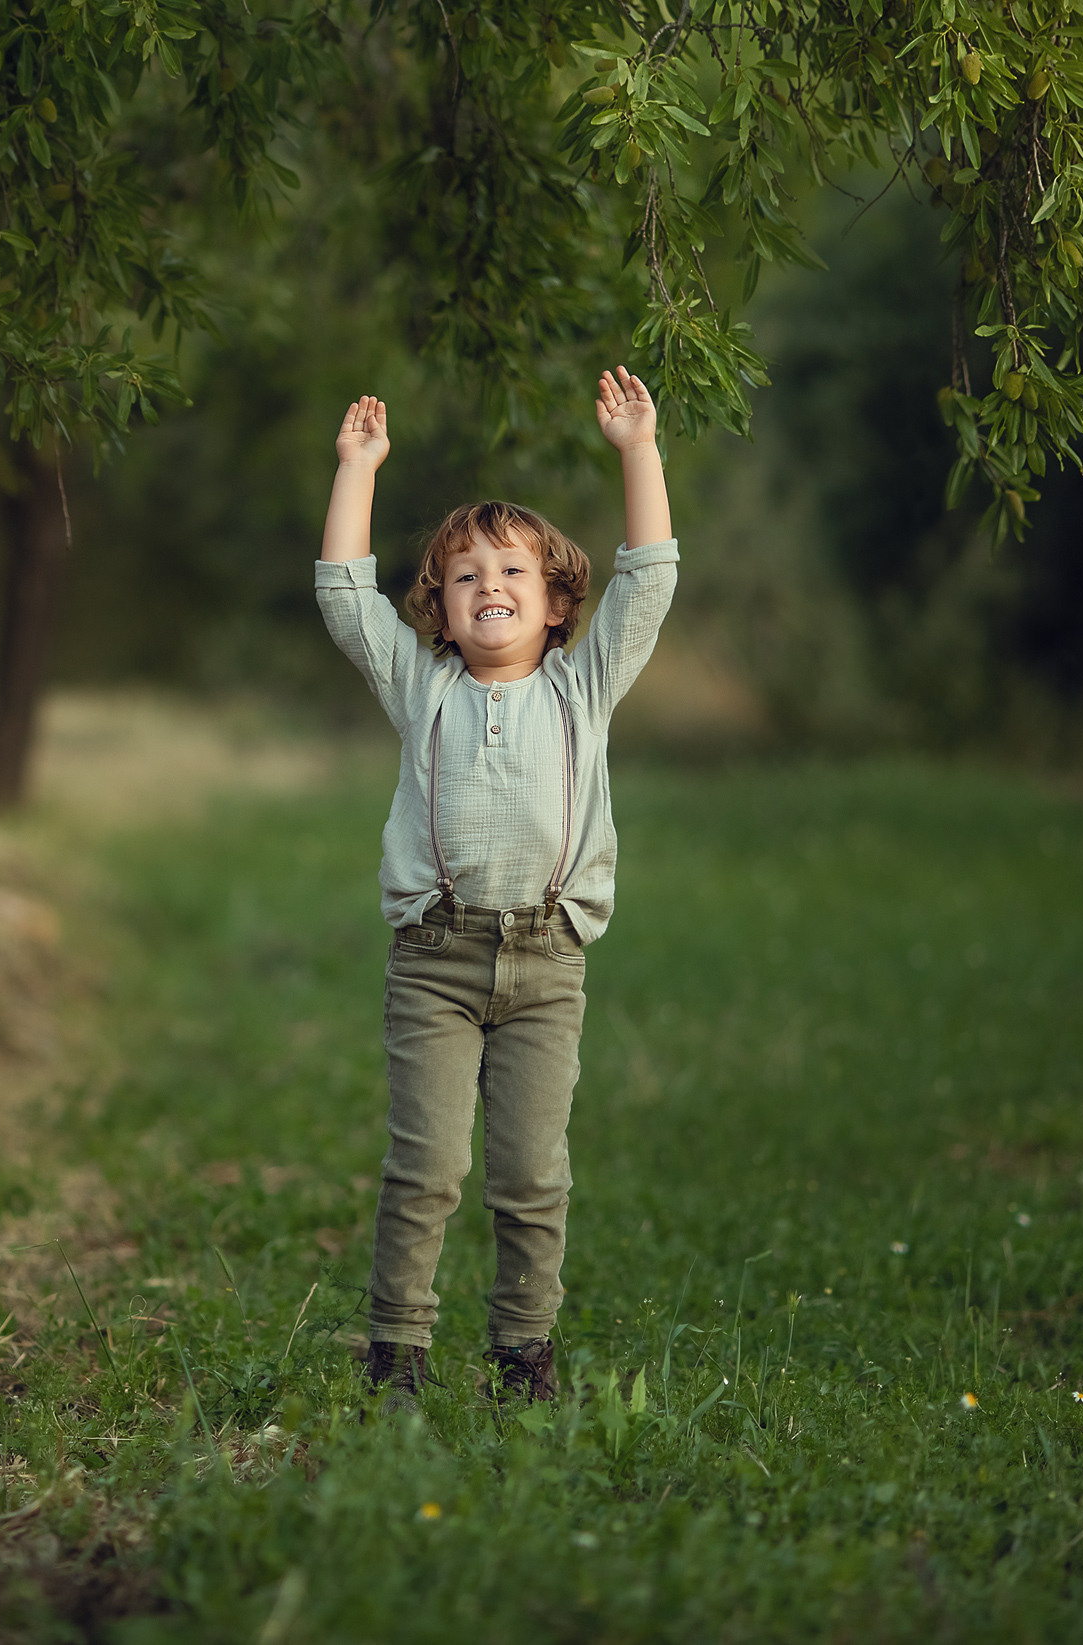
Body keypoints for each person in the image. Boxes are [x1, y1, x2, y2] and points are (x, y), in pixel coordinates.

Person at [315, 371, 678, 1408]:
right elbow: (345, 593)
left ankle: (523, 1355)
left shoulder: (583, 687)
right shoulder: (418, 685)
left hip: (545, 962)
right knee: (424, 1169)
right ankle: (398, 1351)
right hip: (434, 958)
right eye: (463, 574)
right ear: (438, 603)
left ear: (558, 600)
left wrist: (635, 451)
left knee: (530, 1177)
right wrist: (357, 471)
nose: (488, 586)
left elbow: (647, 578)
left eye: (511, 569)